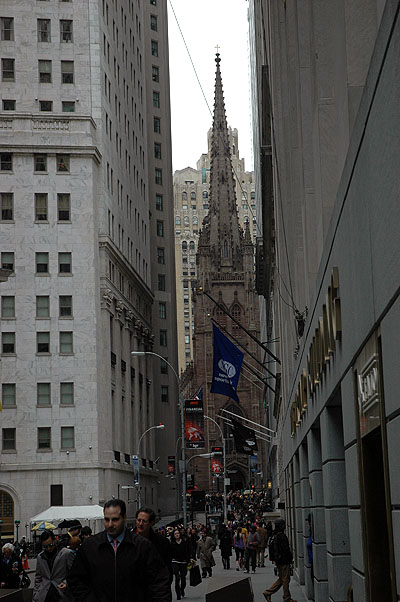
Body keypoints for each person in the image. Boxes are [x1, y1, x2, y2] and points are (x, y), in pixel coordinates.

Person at [67, 498, 171, 602]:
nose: (110, 524)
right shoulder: (90, 547)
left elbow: (160, 581)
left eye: (115, 519)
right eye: (107, 519)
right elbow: (76, 580)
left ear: (124, 517)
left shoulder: (143, 546)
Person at [33, 530, 75, 602]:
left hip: (61, 594)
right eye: (45, 546)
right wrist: (36, 595)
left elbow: (74, 573)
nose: (49, 548)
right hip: (44, 595)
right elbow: (38, 577)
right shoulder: (40, 557)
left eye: (50, 545)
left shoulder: (66, 553)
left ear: (55, 540)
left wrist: (66, 583)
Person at [134, 507, 173, 584]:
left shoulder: (162, 542)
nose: (140, 524)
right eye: (138, 520)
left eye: (144, 521)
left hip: (154, 587)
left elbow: (167, 569)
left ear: (151, 523)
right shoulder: (127, 540)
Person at [263, 519, 296, 602]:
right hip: (284, 561)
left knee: (281, 579)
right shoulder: (282, 536)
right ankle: (287, 598)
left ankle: (268, 592)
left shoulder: (275, 535)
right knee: (285, 579)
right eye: (284, 524)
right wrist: (290, 558)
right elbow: (286, 549)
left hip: (278, 560)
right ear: (282, 525)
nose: (285, 526)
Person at [170, 529, 191, 600]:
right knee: (177, 578)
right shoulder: (172, 543)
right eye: (175, 534)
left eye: (178, 533)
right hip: (175, 561)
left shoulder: (184, 542)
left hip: (183, 562)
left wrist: (189, 559)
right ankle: (178, 594)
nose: (177, 535)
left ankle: (182, 589)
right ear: (173, 535)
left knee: (183, 578)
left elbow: (188, 551)